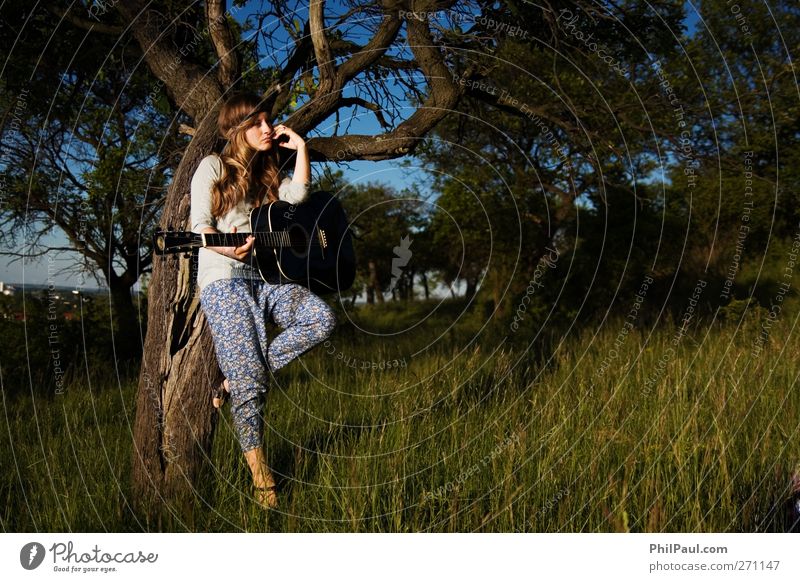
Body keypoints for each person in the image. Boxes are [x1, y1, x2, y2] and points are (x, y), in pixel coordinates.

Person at [190, 92, 337, 509]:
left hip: (266, 278)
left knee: (319, 320)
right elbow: (199, 226)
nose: (268, 129)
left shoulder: (266, 175)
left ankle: (235, 380)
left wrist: (302, 148)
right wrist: (225, 249)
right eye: (258, 123)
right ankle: (263, 482)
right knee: (252, 386)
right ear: (237, 129)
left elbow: (297, 199)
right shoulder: (212, 166)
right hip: (224, 280)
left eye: (269, 122)